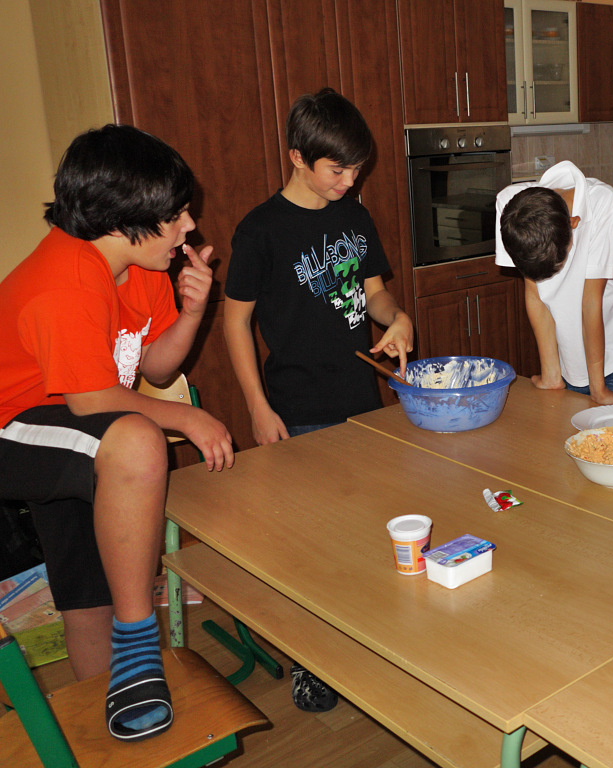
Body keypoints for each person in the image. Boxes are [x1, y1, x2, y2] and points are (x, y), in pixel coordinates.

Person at [0, 124, 234, 741]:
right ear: (122, 220)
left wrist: (191, 313)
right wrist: (187, 417)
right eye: (175, 215)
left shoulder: (140, 265)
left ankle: (107, 727)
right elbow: (94, 400)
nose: (190, 226)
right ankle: (139, 639)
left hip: (68, 432)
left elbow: (153, 367)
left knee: (87, 594)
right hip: (12, 427)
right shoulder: (68, 279)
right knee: (135, 439)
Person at [223, 87, 413, 711]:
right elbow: (235, 322)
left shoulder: (353, 215)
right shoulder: (261, 231)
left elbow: (374, 293)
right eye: (338, 169)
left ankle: (363, 640)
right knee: (309, 548)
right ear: (297, 157)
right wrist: (258, 407)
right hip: (297, 408)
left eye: (356, 169)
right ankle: (311, 660)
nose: (349, 181)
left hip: (361, 400)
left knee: (364, 529)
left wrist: (396, 318)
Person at [496, 161, 613, 406]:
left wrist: (598, 389)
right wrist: (551, 374)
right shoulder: (511, 208)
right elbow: (535, 293)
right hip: (571, 357)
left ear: (573, 224)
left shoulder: (602, 202)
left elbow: (590, 302)